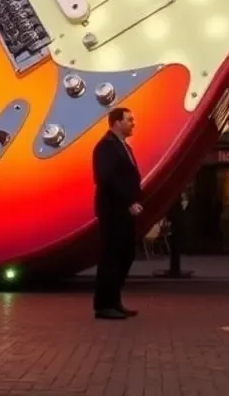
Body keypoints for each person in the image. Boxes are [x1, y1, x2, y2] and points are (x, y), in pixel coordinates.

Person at [92, 106, 142, 320]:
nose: (133, 123)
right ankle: (104, 305)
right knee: (111, 256)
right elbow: (106, 179)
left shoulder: (123, 146)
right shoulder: (105, 147)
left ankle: (114, 301)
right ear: (116, 123)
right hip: (113, 210)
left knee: (126, 253)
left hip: (124, 210)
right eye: (129, 119)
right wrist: (129, 201)